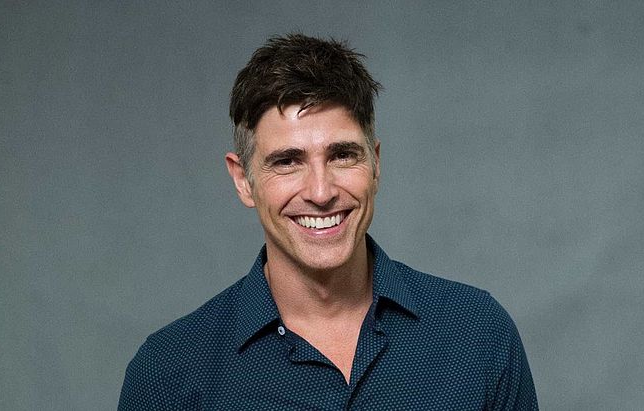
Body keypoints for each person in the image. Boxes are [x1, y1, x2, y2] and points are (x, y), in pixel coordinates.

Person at [119, 33, 538, 410]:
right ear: (243, 180)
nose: (321, 193)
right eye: (287, 162)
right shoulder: (167, 376)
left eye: (342, 155)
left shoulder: (478, 334)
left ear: (375, 164)